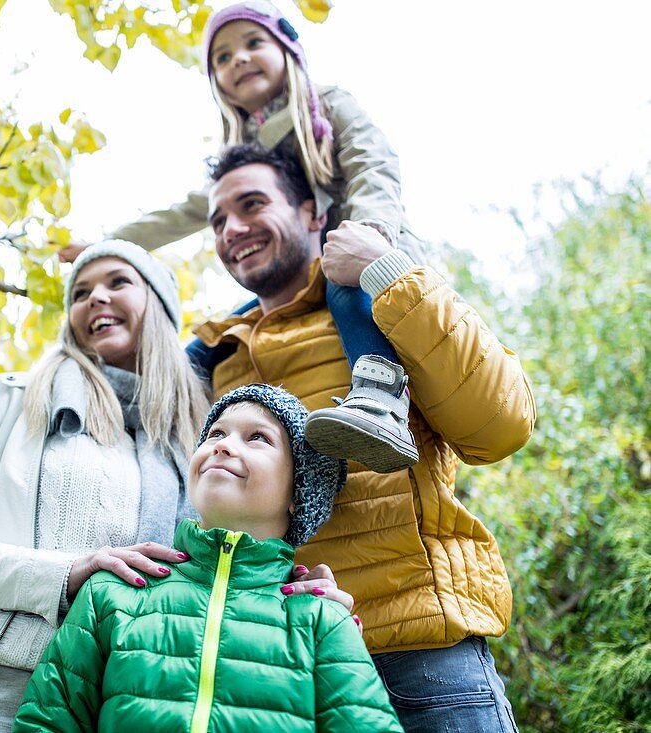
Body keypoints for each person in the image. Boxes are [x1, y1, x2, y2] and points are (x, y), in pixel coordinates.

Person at [0, 241, 348, 732]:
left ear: (159, 305)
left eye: (118, 282)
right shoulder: (10, 402)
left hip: (134, 703)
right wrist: (64, 574)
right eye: (80, 293)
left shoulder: (199, 438)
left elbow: (220, 565)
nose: (95, 298)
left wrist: (291, 599)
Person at [199, 143, 535, 732]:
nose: (233, 229)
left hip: (420, 657)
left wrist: (387, 269)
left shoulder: (376, 299)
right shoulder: (217, 356)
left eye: (252, 204)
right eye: (219, 220)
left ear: (311, 212)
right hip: (280, 669)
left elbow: (499, 425)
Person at [67, 1, 424, 474]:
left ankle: (381, 402)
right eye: (222, 57)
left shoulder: (327, 105)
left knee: (343, 292)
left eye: (253, 43)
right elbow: (186, 212)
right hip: (297, 275)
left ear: (289, 50)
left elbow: (372, 163)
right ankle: (144, 411)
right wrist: (107, 244)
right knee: (218, 338)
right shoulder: (242, 154)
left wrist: (371, 232)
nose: (238, 59)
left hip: (360, 251)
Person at [13, 384, 403, 733]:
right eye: (216, 433)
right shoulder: (113, 591)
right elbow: (47, 721)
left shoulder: (322, 619)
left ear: (298, 492)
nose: (223, 444)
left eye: (257, 438)